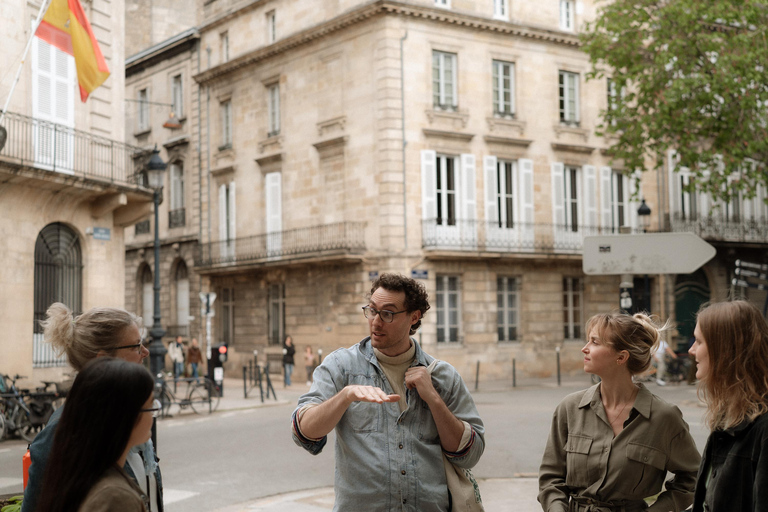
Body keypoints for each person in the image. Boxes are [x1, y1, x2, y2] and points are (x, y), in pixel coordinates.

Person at [292, 273, 485, 511]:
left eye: (388, 313)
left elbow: (471, 454)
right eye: (372, 310)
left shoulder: (443, 376)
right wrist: (345, 396)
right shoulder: (340, 367)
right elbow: (303, 433)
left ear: (414, 317)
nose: (376, 321)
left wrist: (434, 399)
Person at [538, 311, 700, 512]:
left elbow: (693, 477)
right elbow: (551, 477)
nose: (584, 349)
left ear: (621, 357)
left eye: (595, 342)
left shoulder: (663, 416)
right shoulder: (570, 408)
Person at [22, 303, 164, 512]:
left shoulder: (129, 416)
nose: (145, 351)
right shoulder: (62, 431)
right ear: (103, 359)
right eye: (135, 345)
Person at [35, 357, 158, 512]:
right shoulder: (117, 499)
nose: (154, 413)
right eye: (151, 405)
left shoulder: (77, 473)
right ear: (126, 416)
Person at [688, 301, 768, 512]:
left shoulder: (763, 427)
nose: (691, 350)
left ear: (724, 350)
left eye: (698, 341)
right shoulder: (728, 414)